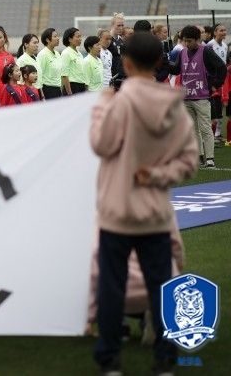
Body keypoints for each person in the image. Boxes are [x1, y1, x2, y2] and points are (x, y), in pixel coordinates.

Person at [90, 32, 198, 376]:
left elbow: (101, 144)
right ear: (158, 62)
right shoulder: (174, 105)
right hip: (154, 214)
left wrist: (101, 108)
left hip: (117, 212)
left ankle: (110, 359)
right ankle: (165, 358)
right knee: (162, 285)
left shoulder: (119, 102)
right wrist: (156, 175)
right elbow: (188, 160)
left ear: (126, 62)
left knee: (111, 285)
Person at [167, 25, 227, 168]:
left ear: (197, 39)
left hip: (202, 97)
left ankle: (210, 158)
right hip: (187, 97)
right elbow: (175, 69)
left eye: (190, 41)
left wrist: (216, 85)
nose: (187, 44)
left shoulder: (206, 51)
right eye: (185, 41)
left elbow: (221, 67)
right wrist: (166, 61)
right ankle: (199, 157)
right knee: (193, 129)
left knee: (205, 127)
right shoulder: (182, 53)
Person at [206, 25, 228, 143]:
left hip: (222, 79)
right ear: (215, 32)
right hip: (213, 79)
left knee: (220, 105)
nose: (224, 32)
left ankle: (218, 134)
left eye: (225, 30)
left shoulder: (224, 45)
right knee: (214, 105)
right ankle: (212, 134)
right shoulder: (210, 45)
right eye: (221, 30)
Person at [37, 27, 62, 99]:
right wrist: (41, 93)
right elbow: (39, 74)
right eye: (55, 36)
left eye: (57, 36)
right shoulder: (43, 54)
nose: (58, 38)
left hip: (58, 89)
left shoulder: (57, 53)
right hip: (47, 89)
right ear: (47, 40)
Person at [60, 28, 86, 95]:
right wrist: (69, 92)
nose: (80, 39)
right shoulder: (66, 53)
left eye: (80, 36)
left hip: (81, 85)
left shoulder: (80, 54)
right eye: (78, 36)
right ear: (70, 39)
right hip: (72, 87)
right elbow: (64, 75)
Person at [108, 13, 126, 89]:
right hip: (109, 77)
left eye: (122, 25)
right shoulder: (107, 39)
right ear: (112, 25)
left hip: (120, 77)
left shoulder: (122, 41)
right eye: (118, 25)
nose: (121, 28)